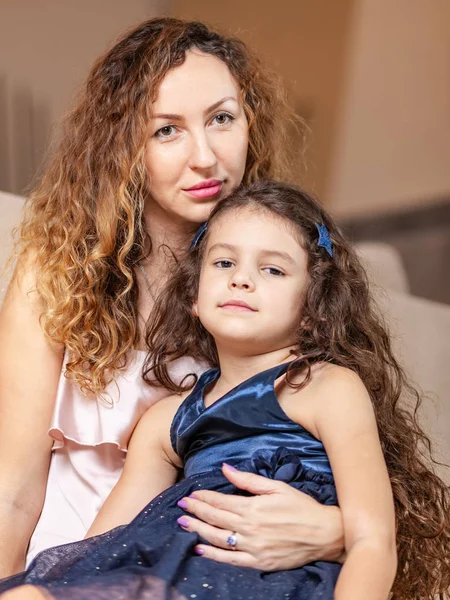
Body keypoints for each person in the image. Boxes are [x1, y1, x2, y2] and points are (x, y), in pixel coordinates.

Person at [0, 18, 344, 578]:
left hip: (192, 567)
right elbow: (11, 491)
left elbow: (358, 468)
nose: (205, 157)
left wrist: (335, 530)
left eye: (222, 119)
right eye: (167, 130)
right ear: (123, 146)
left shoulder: (271, 284)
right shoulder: (56, 269)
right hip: (57, 561)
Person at [1, 180, 448, 600]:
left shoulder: (328, 389)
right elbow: (100, 549)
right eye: (224, 262)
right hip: (169, 580)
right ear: (193, 296)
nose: (241, 279)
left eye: (272, 269)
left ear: (315, 308)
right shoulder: (164, 422)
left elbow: (374, 543)